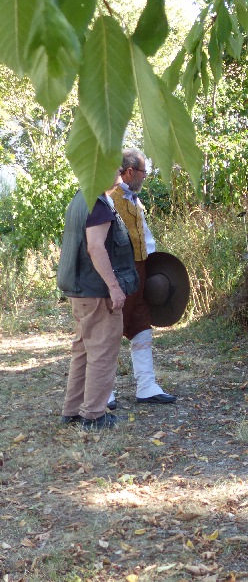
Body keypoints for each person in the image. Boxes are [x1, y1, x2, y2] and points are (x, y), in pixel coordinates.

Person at [58, 180, 139, 429]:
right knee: (102, 352)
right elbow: (95, 247)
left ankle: (72, 411)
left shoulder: (81, 198)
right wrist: (114, 287)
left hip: (81, 289)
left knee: (82, 350)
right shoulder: (98, 204)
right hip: (96, 291)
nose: (121, 175)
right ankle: (93, 415)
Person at [107, 148, 176, 406]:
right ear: (129, 171)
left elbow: (146, 237)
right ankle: (104, 391)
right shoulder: (109, 199)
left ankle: (146, 385)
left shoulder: (135, 200)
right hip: (118, 272)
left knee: (142, 326)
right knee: (112, 329)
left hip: (140, 270)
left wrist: (154, 268)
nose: (145, 177)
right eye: (143, 172)